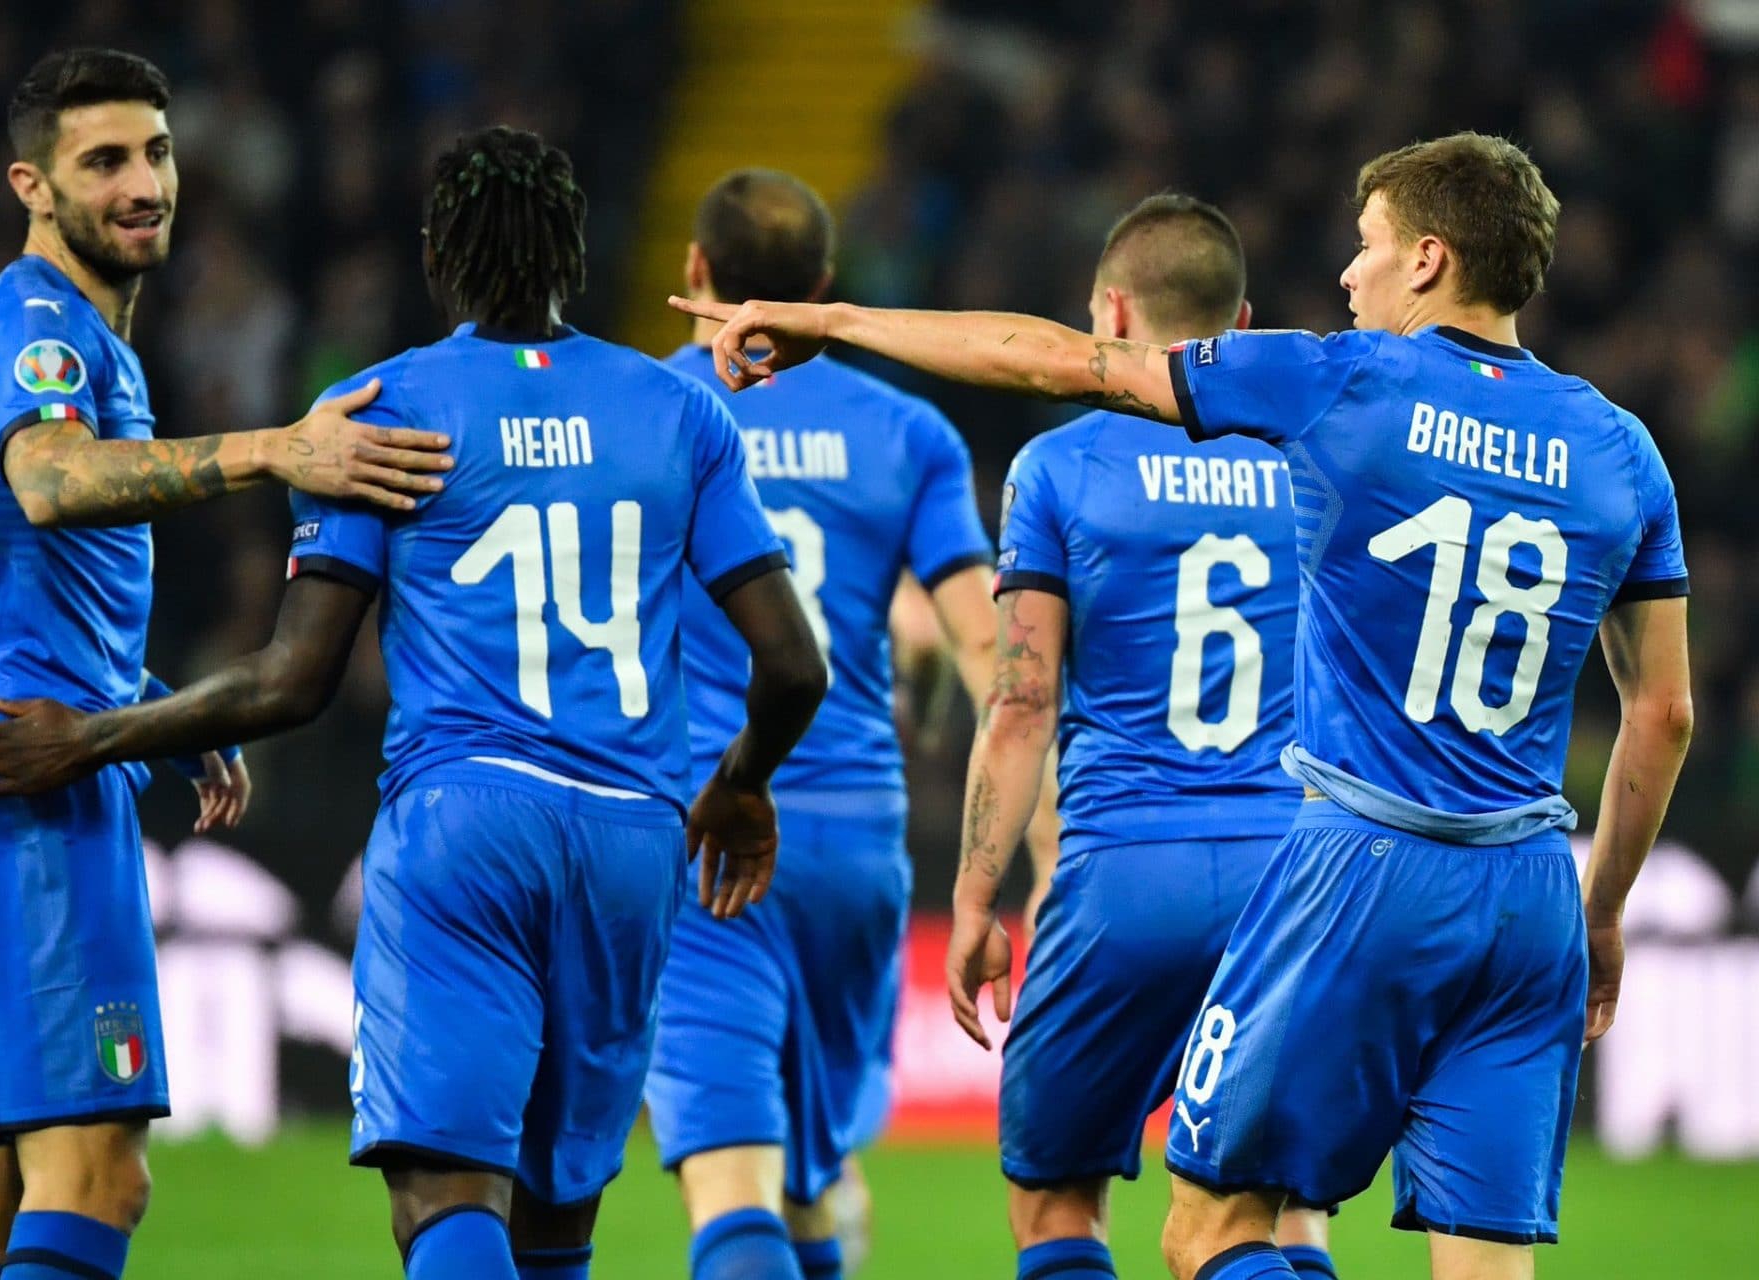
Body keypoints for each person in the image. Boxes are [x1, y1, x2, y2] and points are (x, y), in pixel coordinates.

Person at [671, 132, 1693, 1280]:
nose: (1347, 273)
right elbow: (1663, 712)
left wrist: (837, 323)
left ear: (1428, 259)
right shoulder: (1625, 450)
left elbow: (1057, 364)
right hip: (1531, 892)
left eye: (1367, 246)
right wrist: (1604, 911)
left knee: (1203, 1224)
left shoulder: (1344, 382)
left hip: (1353, 863)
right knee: (1477, 1262)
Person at [0, 125, 828, 1280]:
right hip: (632, 837)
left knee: (448, 1198)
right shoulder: (677, 409)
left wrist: (90, 738)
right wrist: (741, 783)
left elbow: (292, 678)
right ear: (577, 251)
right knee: (557, 1219)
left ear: (436, 253)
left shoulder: (382, 404)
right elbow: (793, 666)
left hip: (466, 827)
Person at [0, 47, 451, 1280]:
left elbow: (6, 580)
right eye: (103, 162)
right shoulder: (37, 326)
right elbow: (51, 483)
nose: (142, 184)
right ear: (33, 185)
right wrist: (275, 449)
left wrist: (152, 703)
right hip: (24, 777)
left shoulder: (76, 338)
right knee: (99, 1176)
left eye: (155, 152)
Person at [949, 194, 1336, 1280]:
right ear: (1241, 323)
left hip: (1124, 877)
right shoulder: (1314, 464)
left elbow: (1021, 703)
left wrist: (977, 897)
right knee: (1271, 1212)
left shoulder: (1057, 466)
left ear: (1111, 313)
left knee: (1054, 1200)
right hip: (1290, 879)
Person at [642, 168, 1005, 1280]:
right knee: (811, 1183)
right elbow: (973, 645)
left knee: (732, 1180)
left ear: (696, 269)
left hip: (706, 820)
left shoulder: (647, 408)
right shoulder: (909, 433)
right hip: (857, 839)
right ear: (825, 284)